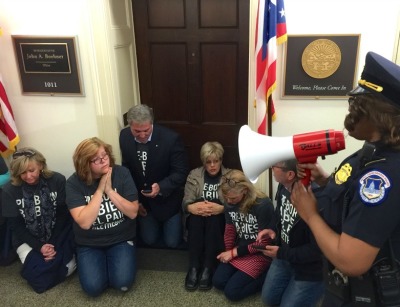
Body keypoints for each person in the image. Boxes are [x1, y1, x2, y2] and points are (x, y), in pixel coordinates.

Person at [290, 51, 400, 306]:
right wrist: (326, 182)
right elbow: (358, 201)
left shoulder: (384, 175)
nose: (350, 113)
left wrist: (310, 215)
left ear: (373, 113)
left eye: (356, 106)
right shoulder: (375, 151)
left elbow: (352, 260)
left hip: (367, 295)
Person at [66, 137, 139, 297]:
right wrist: (99, 190)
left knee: (122, 284)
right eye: (96, 160)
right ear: (85, 164)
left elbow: (133, 212)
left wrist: (110, 191)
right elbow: (84, 223)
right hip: (89, 242)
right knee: (93, 289)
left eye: (104, 155)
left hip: (120, 237)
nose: (103, 161)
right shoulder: (73, 183)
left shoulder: (121, 173)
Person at [1, 147, 76, 293]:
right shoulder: (9, 190)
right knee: (38, 275)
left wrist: (51, 243)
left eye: (32, 170)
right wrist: (39, 246)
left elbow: (62, 215)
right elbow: (16, 226)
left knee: (69, 268)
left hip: (57, 233)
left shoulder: (57, 180)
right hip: (26, 239)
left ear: (41, 165)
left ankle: (50, 267)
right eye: (23, 172)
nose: (28, 176)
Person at [119, 104, 189, 248]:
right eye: (137, 131)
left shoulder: (171, 139)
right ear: (130, 125)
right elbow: (126, 169)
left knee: (172, 242)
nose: (142, 135)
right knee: (149, 240)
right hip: (143, 203)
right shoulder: (124, 136)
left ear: (152, 123)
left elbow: (180, 172)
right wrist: (134, 201)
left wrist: (161, 186)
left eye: (146, 130)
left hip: (167, 200)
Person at [257, 159, 324, 307]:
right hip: (284, 256)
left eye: (275, 167)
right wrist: (272, 228)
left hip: (309, 268)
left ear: (290, 174)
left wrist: (281, 254)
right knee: (268, 300)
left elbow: (316, 251)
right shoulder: (283, 186)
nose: (271, 168)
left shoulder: (315, 198)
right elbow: (278, 213)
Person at [212, 169, 274, 302]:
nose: (229, 200)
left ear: (245, 190)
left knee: (232, 293)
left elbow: (263, 244)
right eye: (226, 197)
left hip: (259, 254)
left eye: (233, 198)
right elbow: (230, 230)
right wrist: (228, 252)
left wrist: (233, 253)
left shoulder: (263, 205)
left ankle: (266, 277)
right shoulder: (229, 202)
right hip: (240, 250)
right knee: (218, 282)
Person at [182, 141, 230, 291]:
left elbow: (238, 204)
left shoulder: (230, 176)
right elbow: (186, 202)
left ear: (221, 160)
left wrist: (221, 209)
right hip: (197, 219)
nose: (212, 166)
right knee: (197, 212)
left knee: (214, 211)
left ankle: (208, 267)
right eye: (208, 162)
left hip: (218, 221)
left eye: (216, 161)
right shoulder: (194, 175)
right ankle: (194, 267)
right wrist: (192, 207)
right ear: (203, 162)